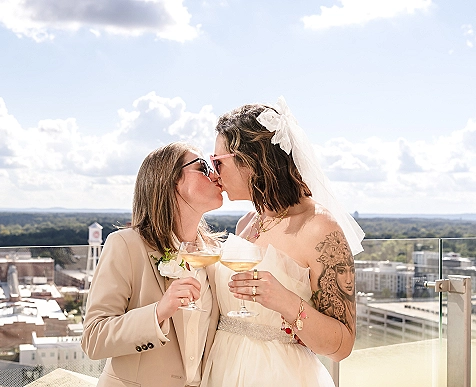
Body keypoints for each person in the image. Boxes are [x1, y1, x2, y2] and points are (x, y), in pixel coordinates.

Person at [200, 97, 365, 386]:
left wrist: (287, 302)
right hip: (223, 370)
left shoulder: (319, 229)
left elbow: (343, 346)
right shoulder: (246, 223)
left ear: (251, 161)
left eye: (217, 161)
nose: (214, 173)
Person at [81, 142, 224, 387]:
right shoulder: (125, 245)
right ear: (170, 181)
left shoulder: (215, 254)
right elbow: (93, 339)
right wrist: (157, 313)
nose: (216, 174)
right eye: (203, 166)